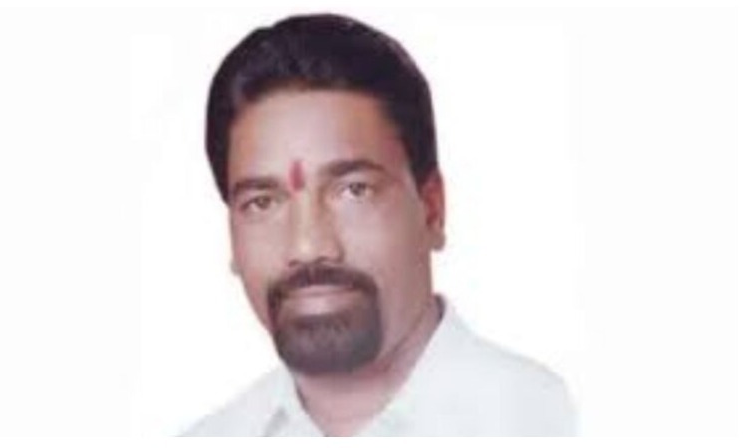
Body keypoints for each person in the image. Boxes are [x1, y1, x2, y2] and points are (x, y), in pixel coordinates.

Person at [183, 13, 576, 437]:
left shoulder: (553, 421)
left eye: (354, 190)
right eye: (262, 202)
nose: (308, 245)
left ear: (432, 209)